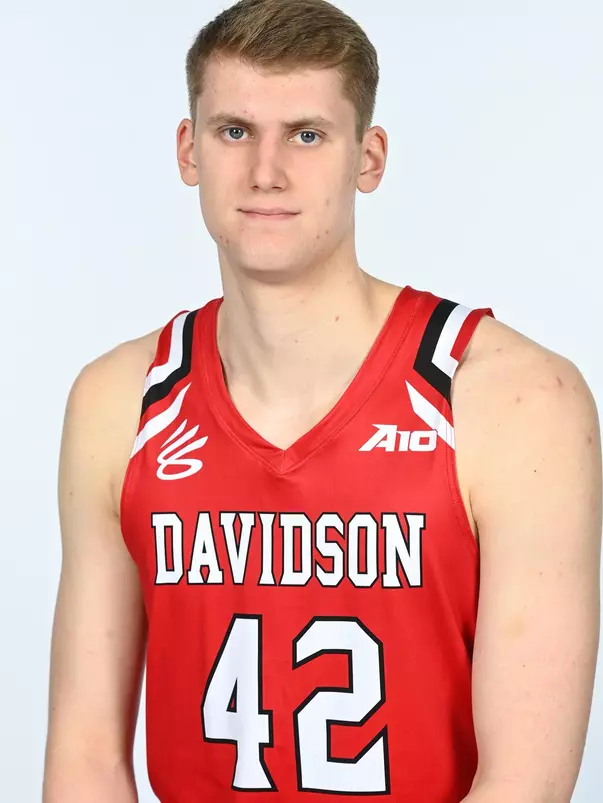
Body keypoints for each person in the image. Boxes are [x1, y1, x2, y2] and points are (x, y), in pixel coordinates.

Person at [43, 1, 602, 801]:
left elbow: (524, 784)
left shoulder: (513, 401)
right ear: (188, 149)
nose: (266, 170)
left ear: (367, 159)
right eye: (235, 130)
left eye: (306, 135)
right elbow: (85, 757)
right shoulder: (118, 402)